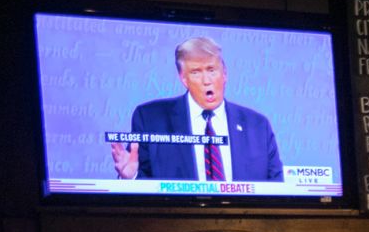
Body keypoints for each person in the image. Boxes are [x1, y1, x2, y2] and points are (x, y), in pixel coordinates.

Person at [110, 36, 283, 182]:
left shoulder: (258, 126)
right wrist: (131, 177)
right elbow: (144, 191)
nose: (206, 80)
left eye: (211, 70)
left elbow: (277, 190)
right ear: (183, 79)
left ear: (225, 74)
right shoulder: (151, 119)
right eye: (196, 72)